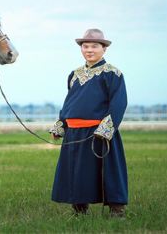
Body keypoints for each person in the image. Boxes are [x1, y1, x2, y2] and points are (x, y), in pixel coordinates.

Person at [50, 29, 128, 217]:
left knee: (108, 172)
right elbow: (69, 103)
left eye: (94, 46)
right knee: (76, 172)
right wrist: (61, 125)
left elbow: (118, 103)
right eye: (85, 46)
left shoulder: (112, 74)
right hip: (74, 133)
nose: (89, 50)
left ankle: (116, 211)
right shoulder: (74, 74)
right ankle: (79, 210)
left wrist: (105, 129)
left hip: (99, 132)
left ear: (104, 49)